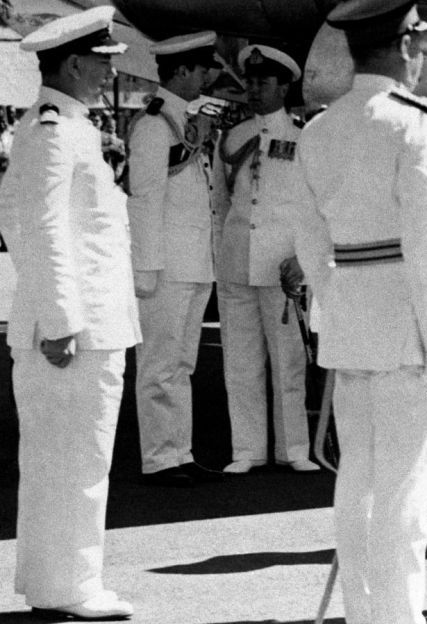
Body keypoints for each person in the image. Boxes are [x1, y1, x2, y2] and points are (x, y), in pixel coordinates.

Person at [283, 1, 427, 621]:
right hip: (412, 328)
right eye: (418, 46)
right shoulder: (416, 127)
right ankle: (398, 616)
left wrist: (337, 310)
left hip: (353, 322)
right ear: (404, 49)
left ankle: (369, 615)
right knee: (409, 493)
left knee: (359, 484)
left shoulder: (318, 128)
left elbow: (310, 243)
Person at [0, 7, 140, 619]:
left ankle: (49, 579)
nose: (108, 73)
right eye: (104, 63)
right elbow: (40, 228)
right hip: (74, 330)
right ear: (77, 63)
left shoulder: (60, 126)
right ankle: (72, 588)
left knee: (59, 459)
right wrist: (60, 321)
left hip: (83, 324)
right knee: (76, 461)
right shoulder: (56, 131)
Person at [126, 31, 226, 487]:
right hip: (164, 265)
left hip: (194, 261)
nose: (209, 76)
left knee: (182, 365)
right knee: (159, 365)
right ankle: (159, 458)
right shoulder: (153, 123)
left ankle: (178, 452)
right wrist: (145, 268)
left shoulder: (184, 119)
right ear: (181, 70)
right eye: (203, 68)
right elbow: (144, 198)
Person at [214, 44, 319, 474]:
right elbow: (221, 204)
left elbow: (315, 207)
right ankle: (247, 449)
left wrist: (305, 258)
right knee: (239, 361)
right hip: (237, 259)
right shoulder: (233, 137)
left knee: (289, 362)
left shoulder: (305, 138)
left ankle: (294, 448)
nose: (254, 90)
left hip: (282, 266)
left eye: (263, 82)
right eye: (250, 82)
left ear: (285, 85)